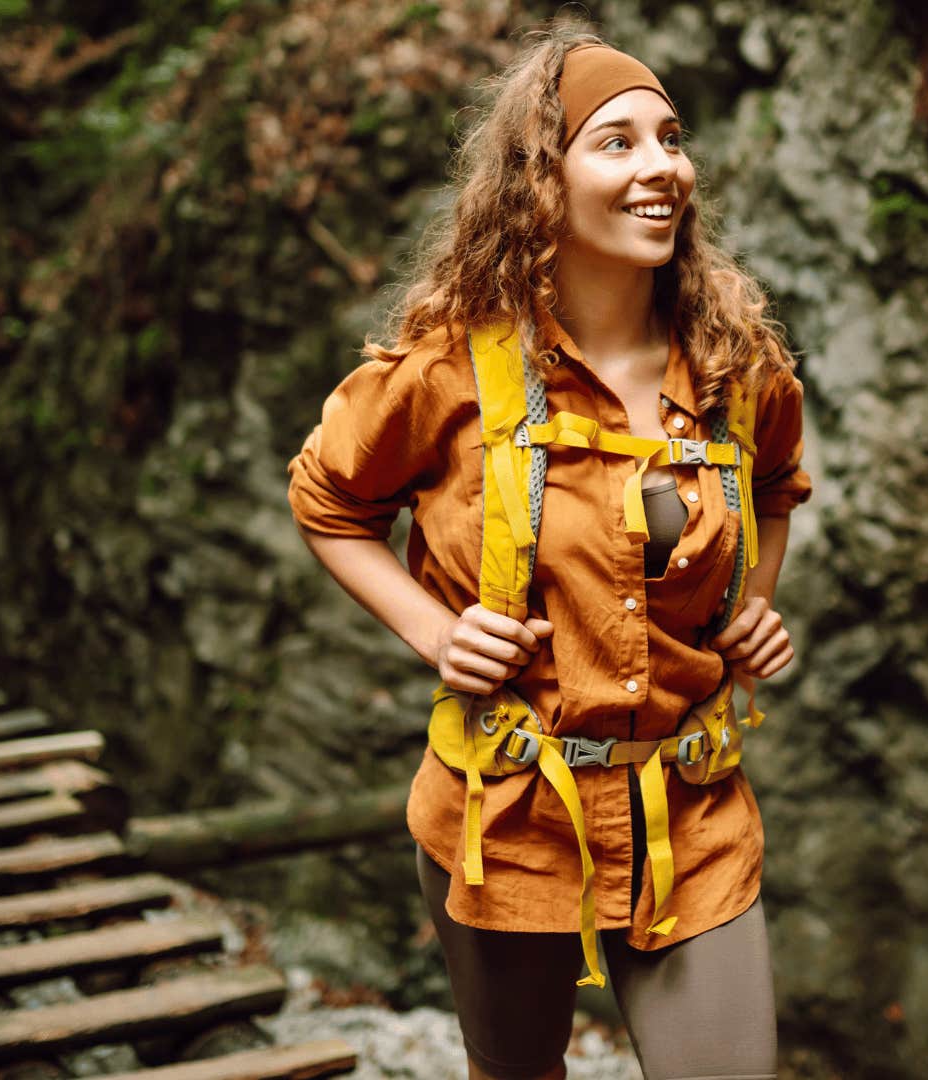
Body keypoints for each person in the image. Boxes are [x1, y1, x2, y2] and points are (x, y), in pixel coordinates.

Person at [287, 24, 811, 1080]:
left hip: (691, 814)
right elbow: (327, 499)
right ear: (542, 179)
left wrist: (746, 604)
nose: (662, 165)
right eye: (616, 142)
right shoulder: (447, 367)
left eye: (671, 137)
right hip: (509, 812)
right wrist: (437, 633)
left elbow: (773, 485)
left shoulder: (733, 366)